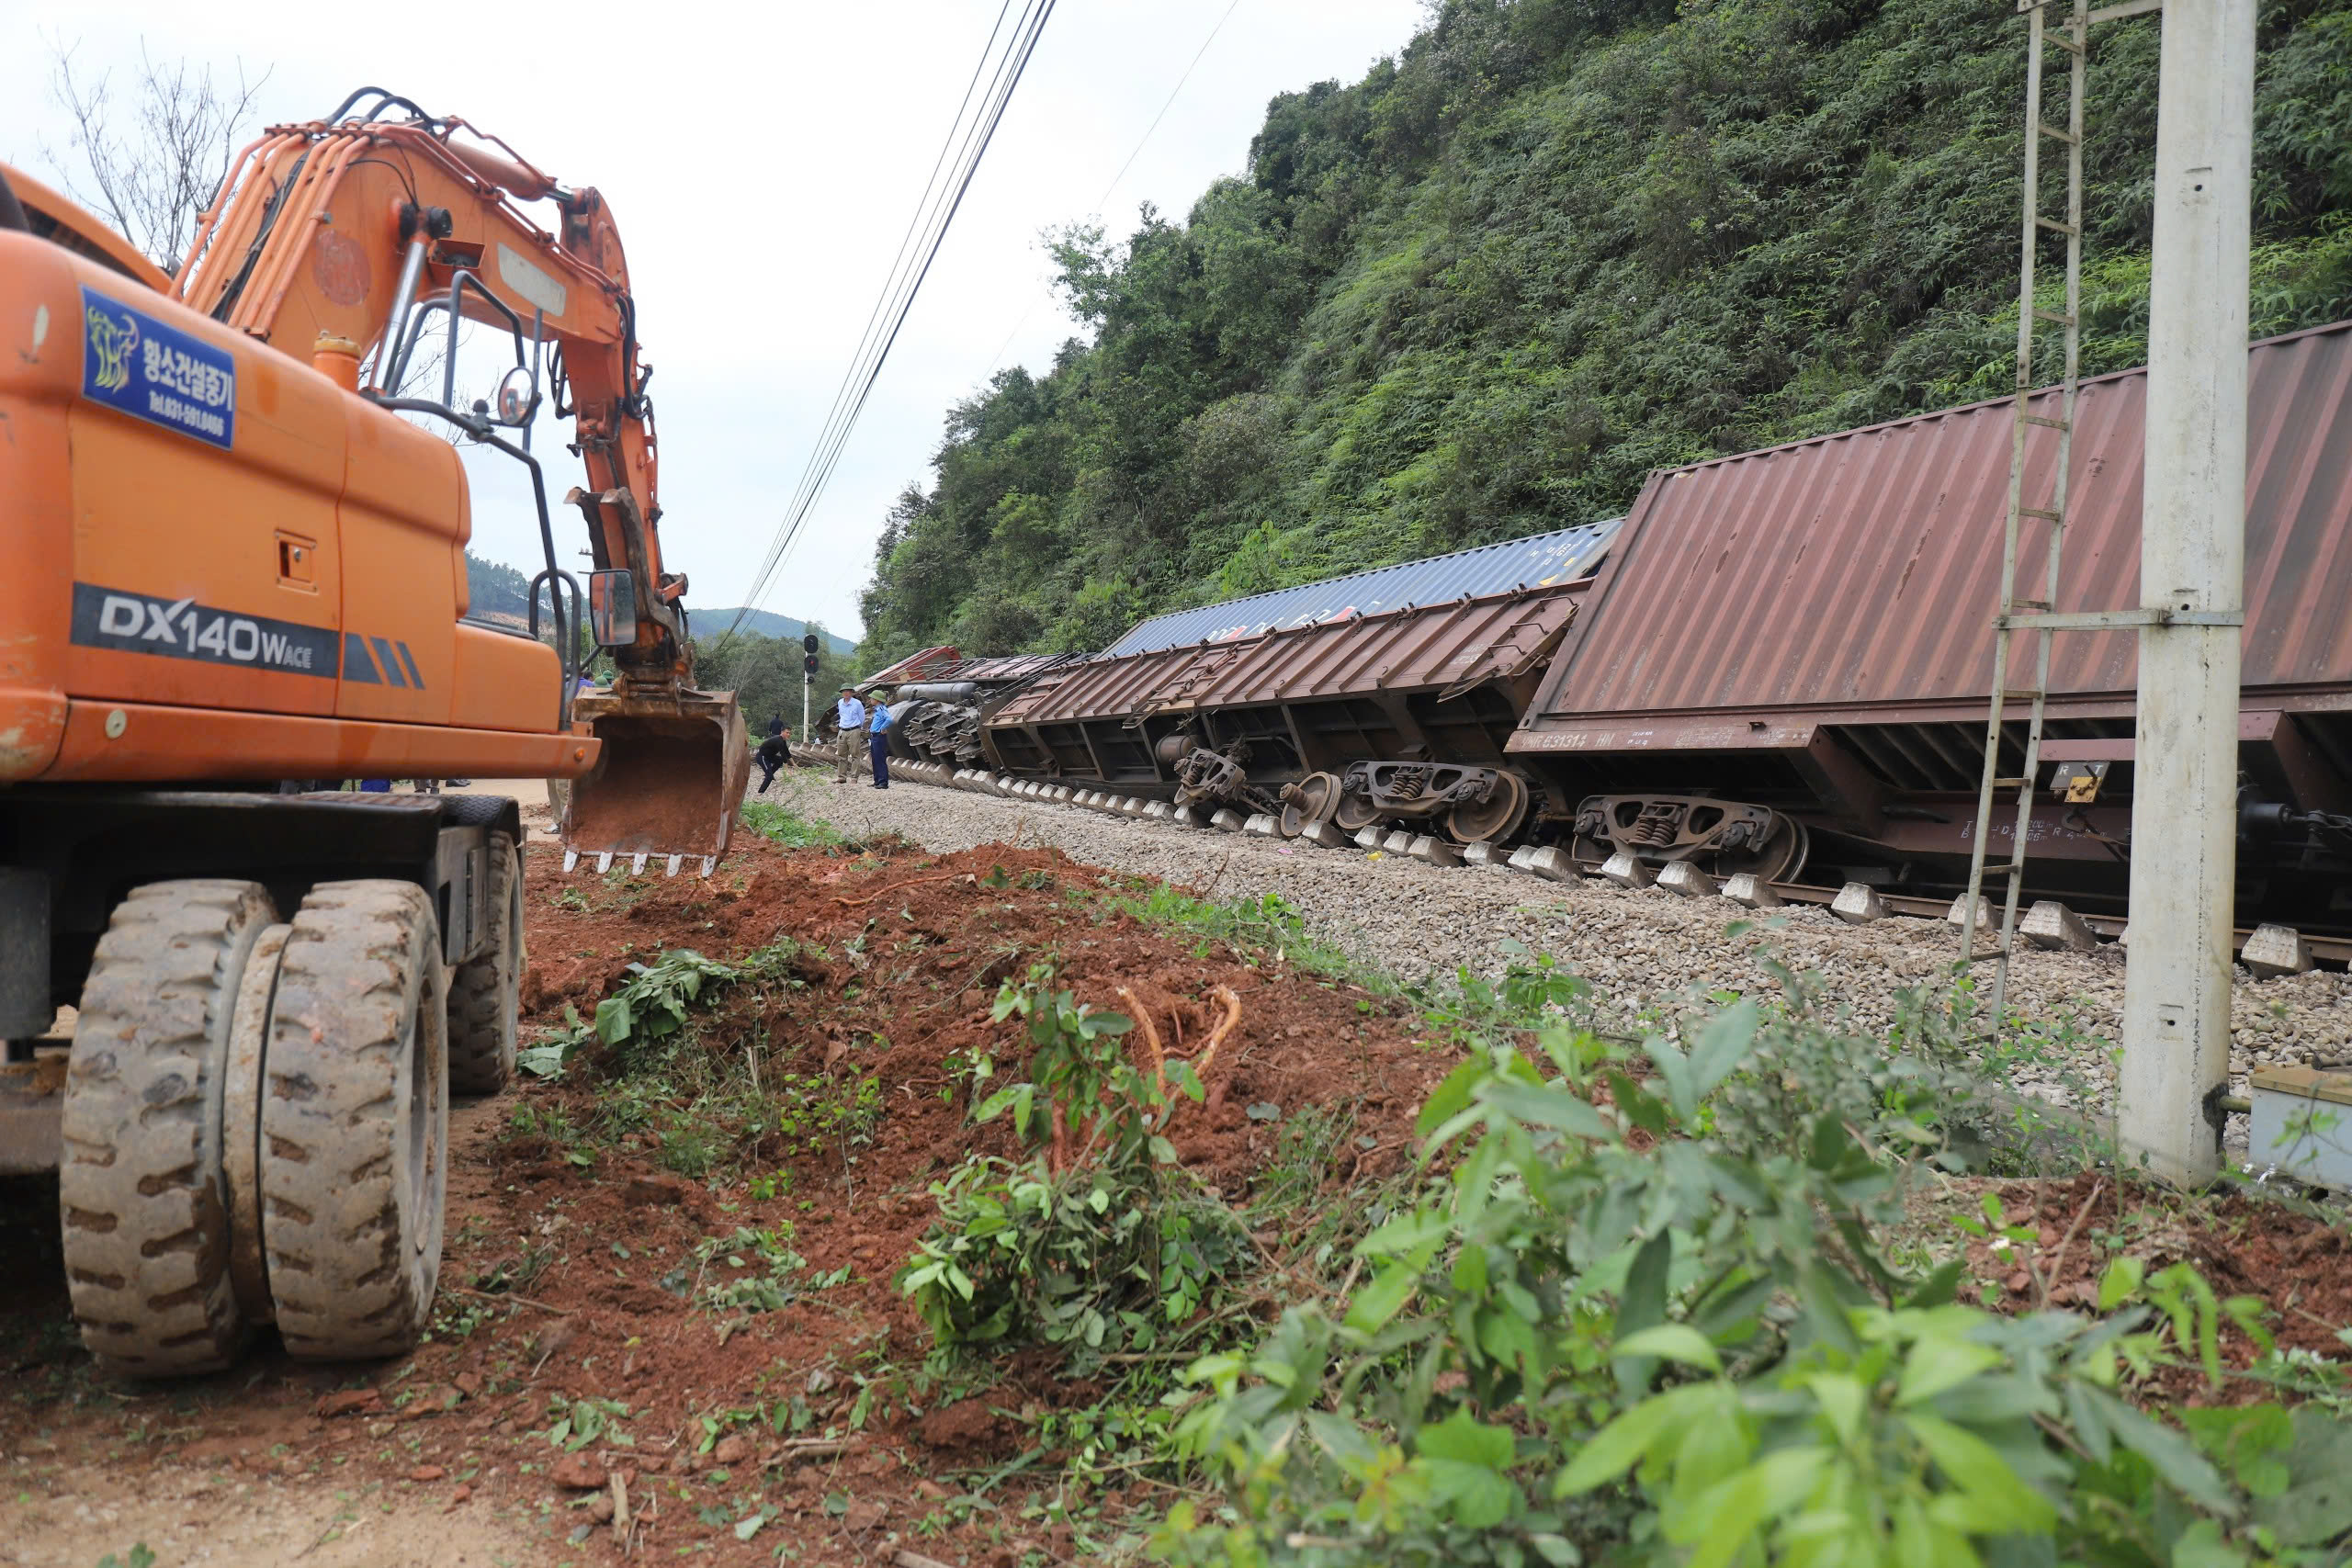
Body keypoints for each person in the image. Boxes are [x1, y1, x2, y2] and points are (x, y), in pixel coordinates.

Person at [832, 686, 867, 784]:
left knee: (855, 754)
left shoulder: (857, 703)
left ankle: (854, 777)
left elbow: (862, 717)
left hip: (854, 730)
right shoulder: (840, 703)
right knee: (841, 754)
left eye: (847, 691)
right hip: (842, 730)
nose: (845, 693)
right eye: (843, 691)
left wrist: (857, 728)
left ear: (851, 693)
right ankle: (841, 776)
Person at [756, 716, 792, 794]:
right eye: (787, 732)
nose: (788, 734)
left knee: (779, 760)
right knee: (769, 777)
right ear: (782, 732)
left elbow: (787, 753)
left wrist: (795, 764)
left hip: (770, 757)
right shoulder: (778, 740)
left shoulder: (783, 741)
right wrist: (787, 770)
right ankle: (760, 792)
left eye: (789, 733)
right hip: (762, 757)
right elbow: (783, 754)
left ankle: (769, 773)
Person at [866, 692, 896, 790]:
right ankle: (877, 781)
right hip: (874, 736)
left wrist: (883, 728)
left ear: (877, 700)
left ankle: (883, 782)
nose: (870, 700)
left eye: (872, 698)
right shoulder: (877, 709)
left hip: (879, 736)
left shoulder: (882, 709)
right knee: (875, 759)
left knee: (880, 759)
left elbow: (889, 720)